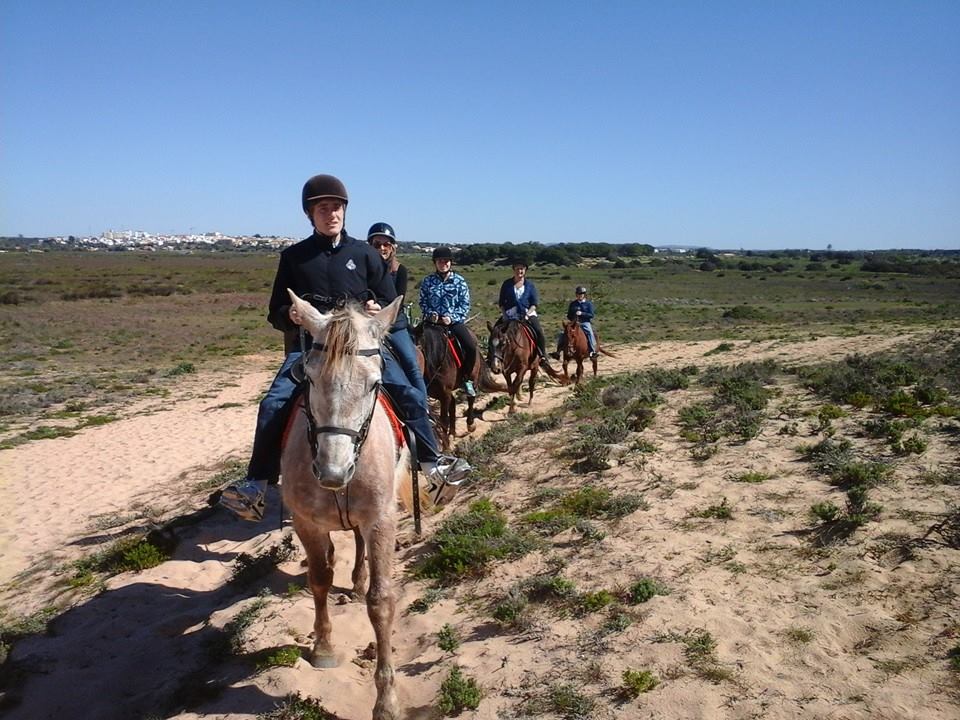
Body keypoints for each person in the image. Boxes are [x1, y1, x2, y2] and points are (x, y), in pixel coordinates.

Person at [220, 174, 470, 521]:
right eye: (323, 208)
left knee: (409, 392)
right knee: (274, 402)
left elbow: (387, 297)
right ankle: (256, 484)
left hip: (361, 345)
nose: (331, 213)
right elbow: (275, 311)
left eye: (336, 207)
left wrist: (374, 307)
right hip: (313, 346)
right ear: (311, 214)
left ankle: (432, 466)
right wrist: (290, 314)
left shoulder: (365, 254)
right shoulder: (294, 257)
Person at [418, 246, 477, 397]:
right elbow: (423, 301)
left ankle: (466, 378)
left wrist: (452, 318)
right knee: (414, 343)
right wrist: (430, 314)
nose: (443, 263)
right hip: (432, 324)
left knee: (470, 346)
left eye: (446, 261)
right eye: (439, 261)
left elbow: (464, 305)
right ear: (435, 263)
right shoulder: (427, 281)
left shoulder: (459, 281)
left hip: (453, 323)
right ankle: (419, 379)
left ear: (451, 263)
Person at [496, 257, 554, 368]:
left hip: (527, 313)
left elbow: (534, 303)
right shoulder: (507, 284)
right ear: (514, 270)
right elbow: (501, 302)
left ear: (525, 270)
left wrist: (528, 315)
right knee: (495, 331)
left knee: (539, 332)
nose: (519, 271)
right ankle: (492, 356)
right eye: (517, 269)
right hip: (510, 314)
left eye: (522, 269)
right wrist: (504, 315)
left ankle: (542, 356)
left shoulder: (530, 285)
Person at [552, 285, 597, 359]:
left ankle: (592, 352)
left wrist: (582, 313)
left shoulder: (588, 304)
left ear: (584, 295)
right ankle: (558, 351)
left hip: (584, 322)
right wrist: (571, 318)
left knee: (590, 332)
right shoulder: (573, 304)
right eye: (578, 294)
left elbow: (591, 315)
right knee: (563, 333)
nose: (580, 295)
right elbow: (569, 315)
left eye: (581, 294)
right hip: (573, 323)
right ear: (576, 294)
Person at [367, 222, 407, 297]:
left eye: (386, 245)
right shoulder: (362, 269)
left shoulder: (400, 271)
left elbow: (399, 300)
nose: (382, 248)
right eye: (377, 245)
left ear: (392, 248)